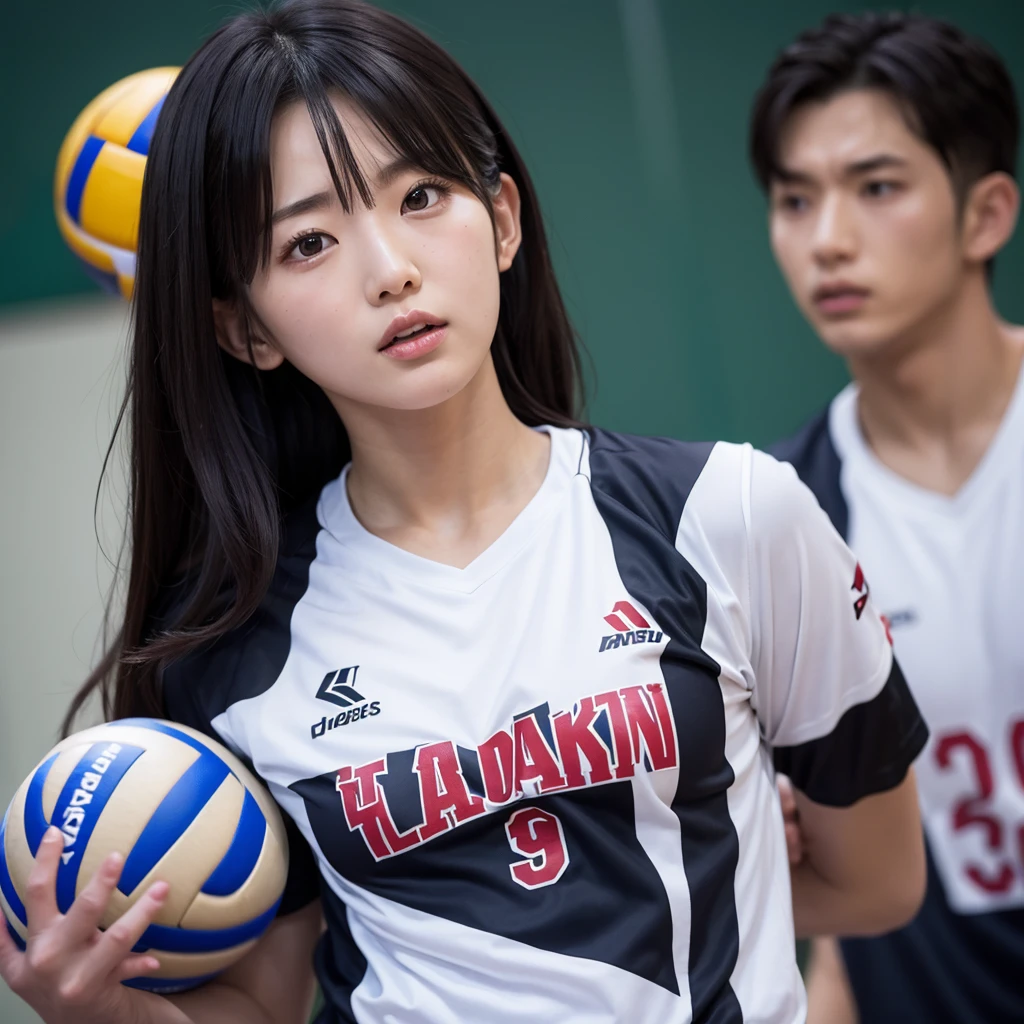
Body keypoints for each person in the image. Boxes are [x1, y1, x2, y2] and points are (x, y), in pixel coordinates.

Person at [0, 2, 928, 1022]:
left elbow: (880, 879)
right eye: (308, 242)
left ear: (502, 219)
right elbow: (264, 1004)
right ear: (243, 326)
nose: (388, 267)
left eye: (422, 195)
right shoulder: (232, 645)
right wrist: (105, 1009)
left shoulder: (731, 514)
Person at [750, 12, 1024, 1023]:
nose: (826, 238)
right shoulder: (781, 516)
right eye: (792, 198)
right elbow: (850, 935)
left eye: (875, 187)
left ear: (985, 213)